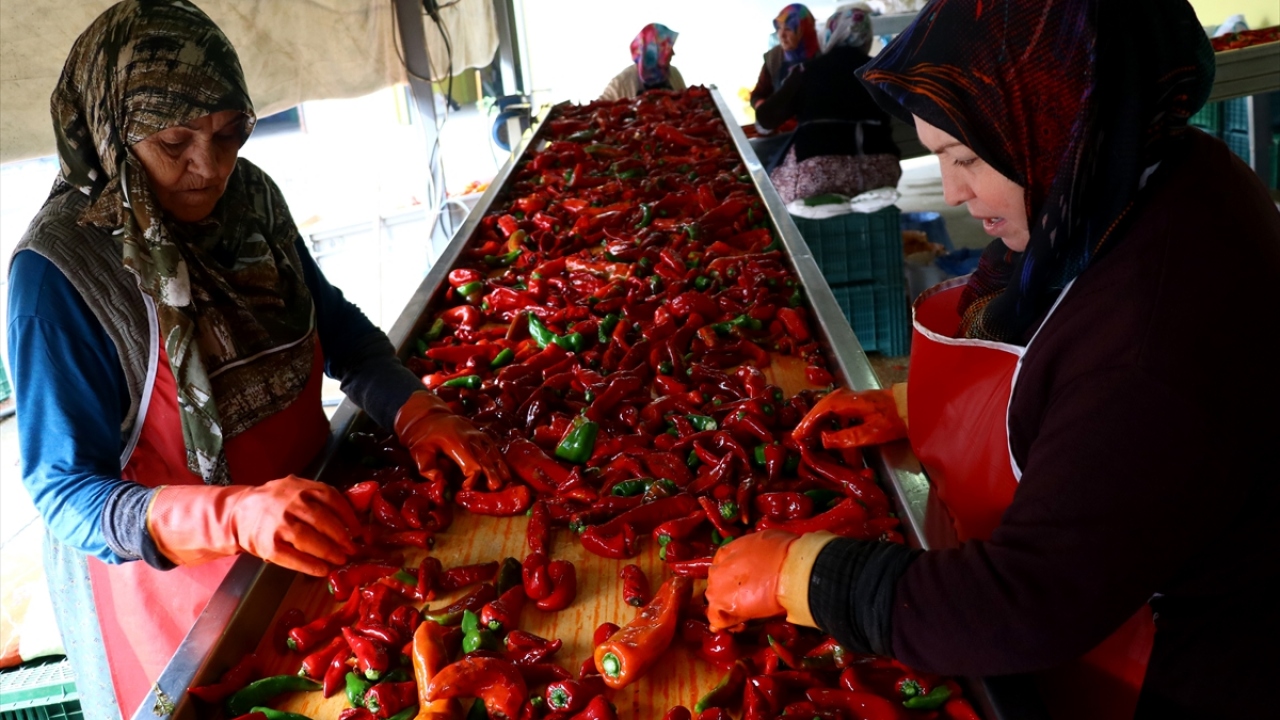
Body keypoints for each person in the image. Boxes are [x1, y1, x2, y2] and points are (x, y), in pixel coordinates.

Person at [705, 1, 1280, 718]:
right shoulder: (1130, 182)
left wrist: (806, 576)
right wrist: (919, 404)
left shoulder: (1157, 323)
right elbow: (1058, 367)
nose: (950, 190)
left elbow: (1032, 600)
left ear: (1060, 119)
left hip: (1179, 676)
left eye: (967, 158)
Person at [5, 2, 509, 717]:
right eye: (174, 140)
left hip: (328, 539)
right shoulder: (61, 273)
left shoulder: (253, 201)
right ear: (112, 131)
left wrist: (416, 409)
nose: (208, 167)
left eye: (229, 133)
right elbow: (65, 492)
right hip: (197, 613)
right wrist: (236, 517)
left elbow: (335, 328)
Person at [755, 4, 901, 202]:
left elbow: (765, 121)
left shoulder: (805, 71)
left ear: (828, 35)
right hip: (882, 172)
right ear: (866, 37)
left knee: (770, 188)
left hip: (820, 175)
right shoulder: (880, 71)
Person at [747, 4, 821, 171]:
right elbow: (758, 94)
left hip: (812, 135)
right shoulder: (774, 58)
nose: (781, 35)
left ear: (804, 30)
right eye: (778, 28)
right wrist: (763, 108)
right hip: (779, 132)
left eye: (788, 29)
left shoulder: (822, 59)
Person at [598, 23, 686, 102]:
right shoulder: (622, 82)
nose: (673, 53)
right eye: (667, 49)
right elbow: (598, 107)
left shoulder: (674, 75)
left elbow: (686, 102)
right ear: (653, 52)